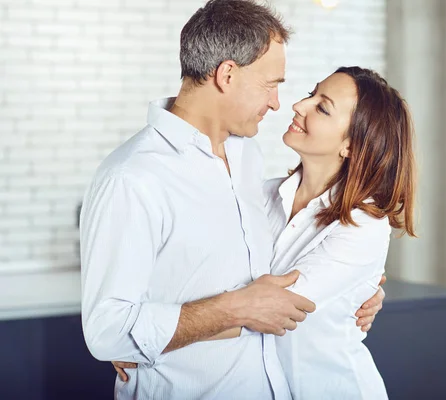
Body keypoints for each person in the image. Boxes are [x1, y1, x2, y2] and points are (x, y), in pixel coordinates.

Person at [79, 1, 384, 399]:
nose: (279, 103)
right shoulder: (133, 177)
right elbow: (108, 331)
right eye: (271, 83)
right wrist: (143, 338)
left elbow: (277, 275)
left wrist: (356, 291)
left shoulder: (245, 157)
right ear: (226, 74)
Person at [114, 67, 415, 399]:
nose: (300, 105)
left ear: (352, 145)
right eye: (312, 94)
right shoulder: (259, 195)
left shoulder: (363, 226)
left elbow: (269, 311)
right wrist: (136, 332)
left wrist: (143, 338)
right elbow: (194, 269)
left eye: (322, 107)